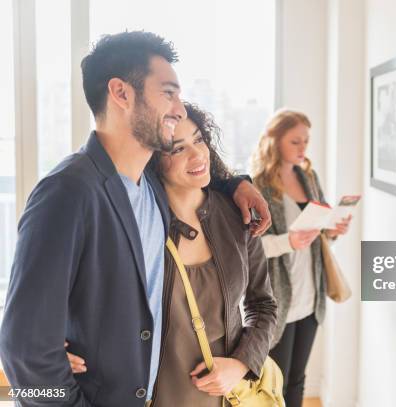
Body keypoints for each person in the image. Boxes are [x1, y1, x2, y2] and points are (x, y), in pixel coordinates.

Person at [0, 31, 270, 407]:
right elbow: (23, 352)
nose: (178, 108)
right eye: (168, 93)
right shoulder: (67, 193)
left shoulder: (151, 190)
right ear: (121, 93)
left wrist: (237, 184)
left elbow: (193, 179)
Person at [68, 102, 277, 406]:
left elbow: (264, 305)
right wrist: (55, 342)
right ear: (152, 157)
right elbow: (83, 292)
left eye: (199, 139)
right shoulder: (135, 222)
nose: (197, 155)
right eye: (177, 149)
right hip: (149, 396)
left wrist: (242, 363)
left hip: (224, 395)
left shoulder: (237, 216)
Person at [251, 109, 352, 407]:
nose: (303, 148)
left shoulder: (308, 177)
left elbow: (318, 236)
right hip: (278, 299)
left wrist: (333, 230)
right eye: (295, 141)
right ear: (275, 141)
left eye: (306, 141)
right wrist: (288, 241)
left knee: (297, 378)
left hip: (310, 295)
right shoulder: (257, 185)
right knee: (273, 383)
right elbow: (251, 248)